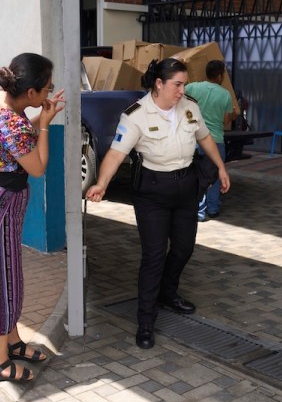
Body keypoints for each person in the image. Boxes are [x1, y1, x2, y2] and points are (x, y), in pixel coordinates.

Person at [85, 58, 230, 350]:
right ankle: (146, 320)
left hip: (186, 187)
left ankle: (168, 293)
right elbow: (115, 153)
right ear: (159, 84)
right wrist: (101, 183)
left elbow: (206, 139)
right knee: (153, 256)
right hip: (152, 192)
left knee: (183, 248)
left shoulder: (190, 107)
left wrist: (221, 167)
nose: (181, 90)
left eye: (184, 84)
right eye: (177, 84)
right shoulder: (136, 114)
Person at [0, 53, 65, 383]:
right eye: (47, 88)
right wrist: (47, 123)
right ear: (32, 93)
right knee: (1, 275)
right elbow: (37, 166)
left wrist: (38, 118)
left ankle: (12, 342)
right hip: (1, 202)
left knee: (4, 269)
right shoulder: (15, 121)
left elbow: (16, 140)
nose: (49, 93)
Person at [184, 60, 234, 222]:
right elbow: (226, 121)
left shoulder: (193, 87)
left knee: (195, 174)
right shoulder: (225, 94)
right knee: (214, 175)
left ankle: (198, 208)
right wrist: (233, 114)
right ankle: (212, 208)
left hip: (194, 139)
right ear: (220, 75)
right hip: (216, 140)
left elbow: (180, 98)